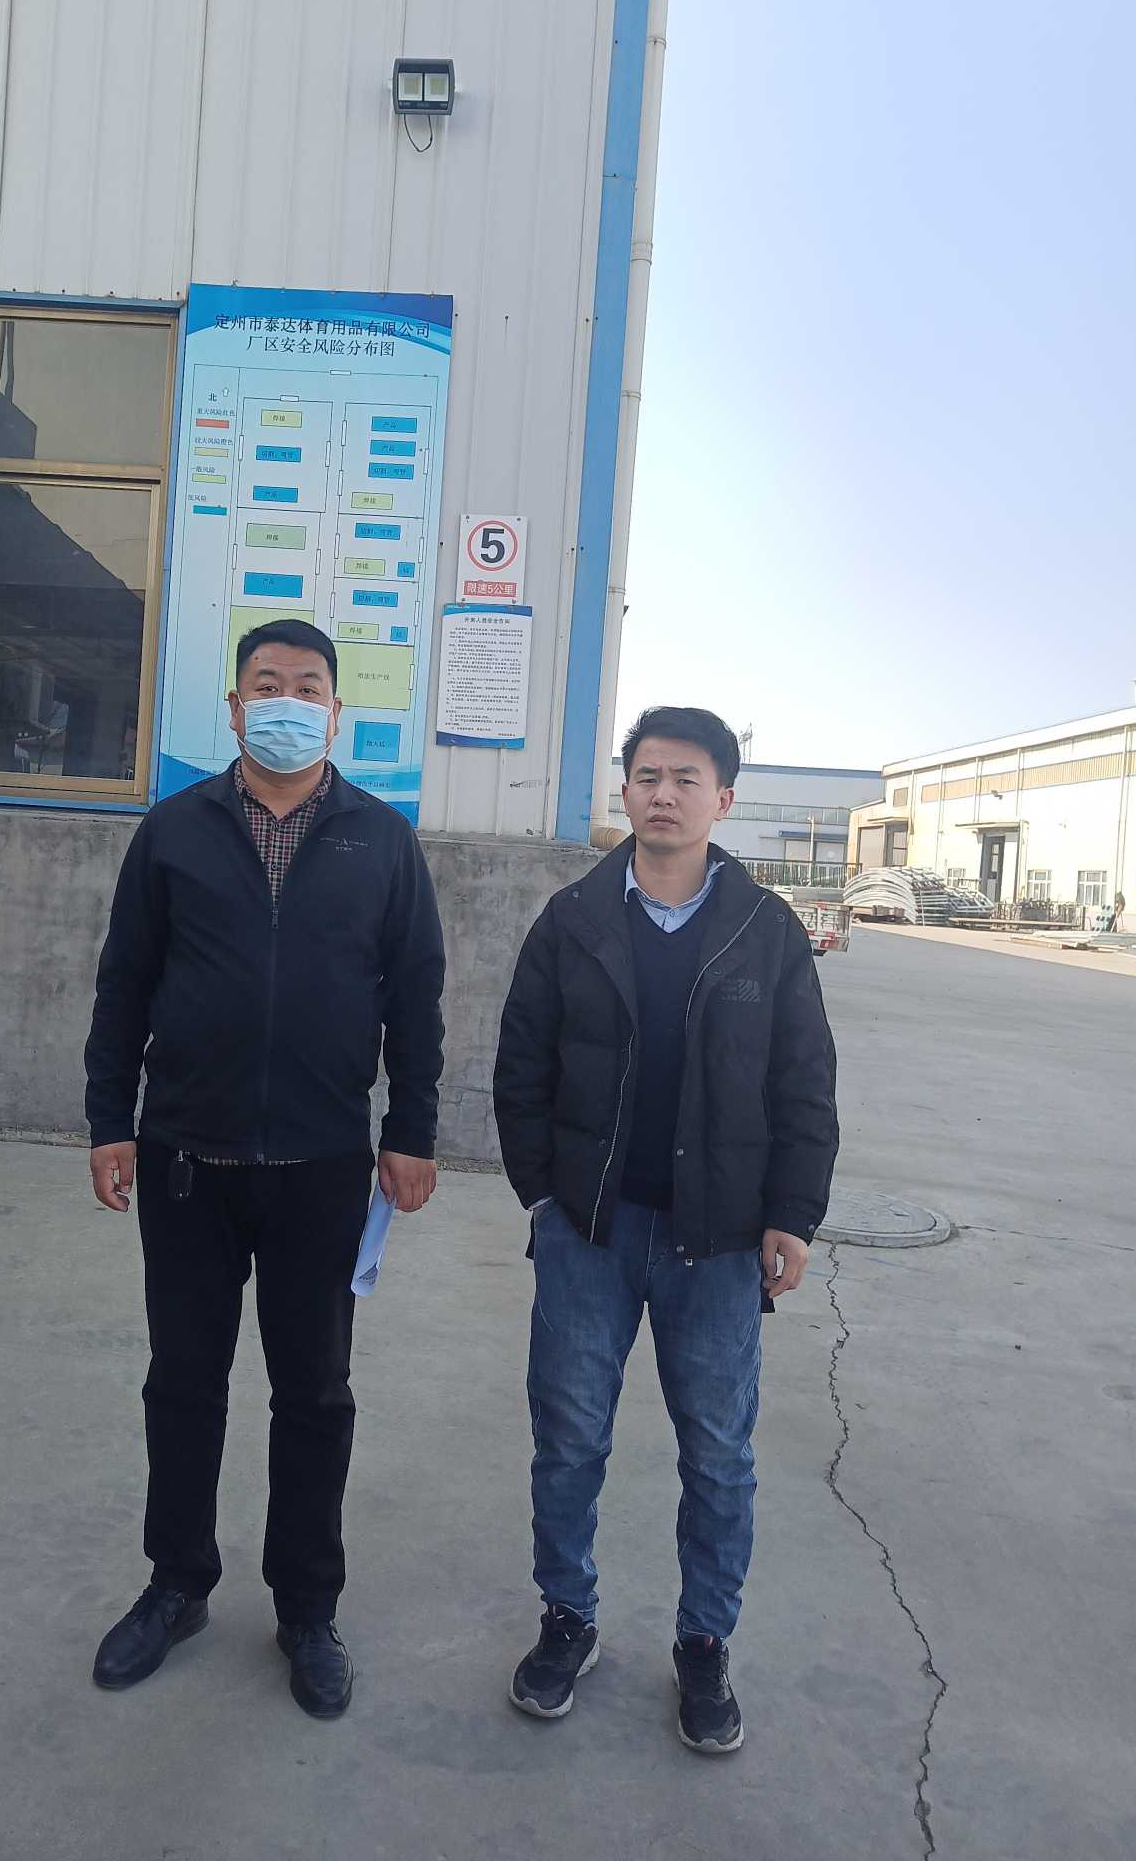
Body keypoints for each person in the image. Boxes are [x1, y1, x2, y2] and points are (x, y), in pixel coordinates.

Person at [84, 617, 445, 1719]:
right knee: (184, 1382)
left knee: (316, 1393)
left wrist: (412, 1129)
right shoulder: (174, 830)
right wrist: (109, 1120)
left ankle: (306, 1606)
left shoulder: (382, 840)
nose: (287, 701)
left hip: (322, 1165)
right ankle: (177, 1583)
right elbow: (124, 983)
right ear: (235, 708)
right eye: (267, 684)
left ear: (335, 713)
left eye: (308, 686)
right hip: (186, 1159)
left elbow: (415, 998)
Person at [493, 705, 838, 1753]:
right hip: (589, 1233)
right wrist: (544, 1197)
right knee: (569, 1441)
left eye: (687, 778)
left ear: (722, 799)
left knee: (719, 1455)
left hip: (719, 1241)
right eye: (647, 775)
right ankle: (568, 1617)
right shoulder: (572, 919)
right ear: (625, 790)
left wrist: (792, 1215)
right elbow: (521, 1065)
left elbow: (804, 1084)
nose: (664, 793)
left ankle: (704, 1642)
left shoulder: (766, 930)